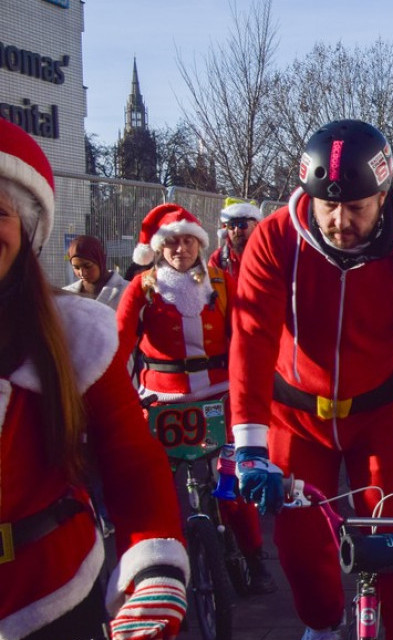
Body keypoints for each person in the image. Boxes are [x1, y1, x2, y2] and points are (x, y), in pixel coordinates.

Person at [228, 120, 393, 640]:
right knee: (300, 550)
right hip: (296, 413)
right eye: (327, 205)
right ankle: (324, 625)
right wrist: (248, 445)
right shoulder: (276, 239)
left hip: (379, 413)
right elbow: (251, 338)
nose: (338, 220)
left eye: (356, 207)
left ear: (384, 196)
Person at [0, 117, 187, 640]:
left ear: (28, 229)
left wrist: (154, 568)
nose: (181, 254)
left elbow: (131, 458)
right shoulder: (139, 289)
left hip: (50, 593)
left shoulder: (70, 334)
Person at [115, 203, 276, 595]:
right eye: (172, 243)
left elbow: (244, 339)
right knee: (157, 493)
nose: (180, 249)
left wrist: (252, 391)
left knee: (233, 488)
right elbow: (119, 344)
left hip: (219, 400)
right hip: (161, 403)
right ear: (159, 248)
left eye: (187, 241)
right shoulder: (143, 287)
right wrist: (114, 395)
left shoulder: (220, 283)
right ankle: (160, 577)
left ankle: (254, 559)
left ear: (198, 244)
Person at [62, 233, 129, 308]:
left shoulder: (127, 290)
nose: (82, 273)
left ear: (100, 261)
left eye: (87, 266)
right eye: (76, 268)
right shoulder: (66, 294)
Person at [208, 198, 262, 289]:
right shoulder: (218, 258)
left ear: (255, 225)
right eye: (231, 225)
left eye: (242, 224)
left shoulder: (267, 254)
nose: (237, 230)